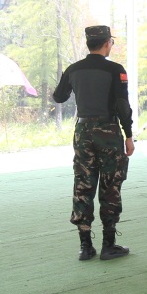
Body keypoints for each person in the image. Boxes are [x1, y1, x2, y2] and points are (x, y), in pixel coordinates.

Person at [53, 25, 135, 261]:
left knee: (83, 186)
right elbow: (122, 105)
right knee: (111, 185)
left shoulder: (73, 69)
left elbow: (59, 97)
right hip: (108, 132)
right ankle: (109, 245)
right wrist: (128, 134)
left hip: (83, 132)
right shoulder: (115, 70)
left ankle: (85, 246)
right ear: (107, 42)